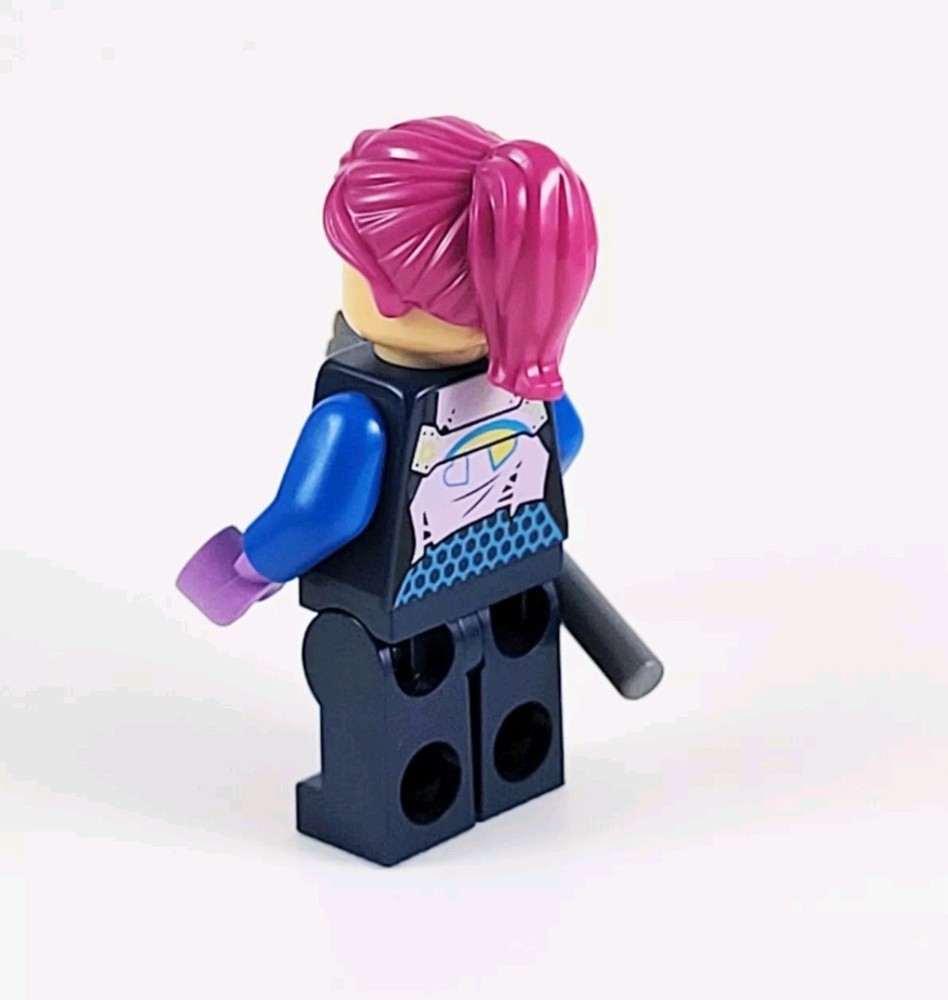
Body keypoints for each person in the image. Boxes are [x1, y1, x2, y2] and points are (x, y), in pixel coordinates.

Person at [178, 116, 597, 864]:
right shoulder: (522, 386)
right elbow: (565, 441)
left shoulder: (358, 416)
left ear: (390, 293)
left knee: (389, 705)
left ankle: (412, 806)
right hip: (513, 579)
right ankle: (514, 767)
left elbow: (318, 515)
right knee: (513, 679)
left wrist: (246, 571)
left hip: (397, 614)